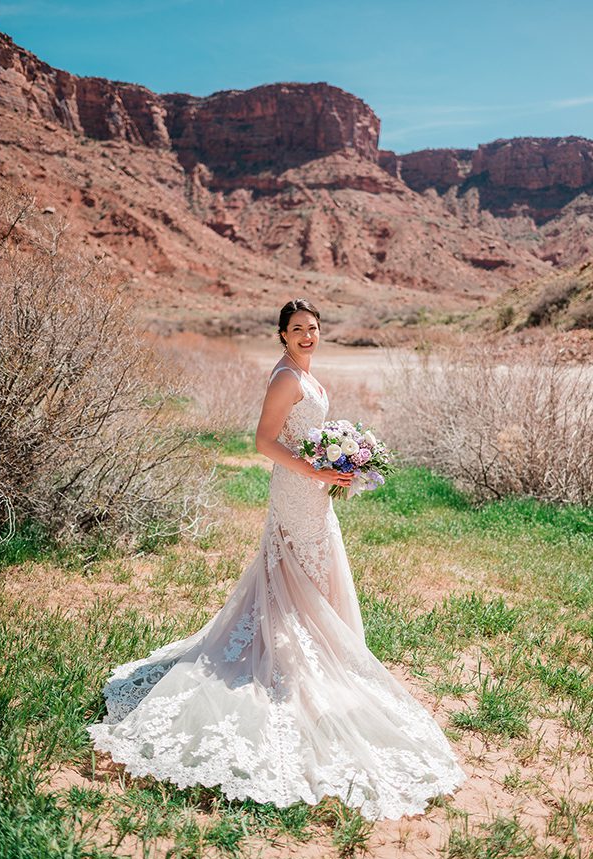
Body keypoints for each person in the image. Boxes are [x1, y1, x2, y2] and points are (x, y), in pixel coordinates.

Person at [88, 299, 465, 821]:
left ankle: (309, 646)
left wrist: (337, 458)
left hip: (311, 488)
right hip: (296, 489)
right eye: (297, 330)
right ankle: (291, 659)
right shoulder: (287, 378)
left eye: (313, 328)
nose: (307, 335)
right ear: (282, 335)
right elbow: (264, 441)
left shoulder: (305, 372)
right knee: (296, 569)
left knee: (313, 567)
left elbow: (302, 435)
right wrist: (315, 471)